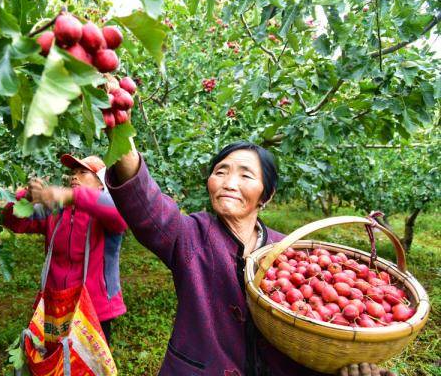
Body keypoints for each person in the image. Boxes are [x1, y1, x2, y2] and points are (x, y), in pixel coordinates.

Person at [104, 140, 395, 375]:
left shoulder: (288, 251)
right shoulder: (190, 234)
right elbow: (147, 205)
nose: (229, 182)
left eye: (245, 175)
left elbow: (319, 326)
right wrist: (120, 134)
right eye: (220, 172)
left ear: (266, 196)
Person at [2, 154, 127, 344]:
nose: (74, 177)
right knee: (57, 364)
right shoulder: (56, 212)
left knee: (89, 368)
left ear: (101, 183)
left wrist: (72, 196)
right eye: (72, 173)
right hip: (56, 307)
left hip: (94, 310)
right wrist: (26, 198)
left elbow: (118, 214)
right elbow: (15, 223)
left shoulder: (106, 212)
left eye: (83, 172)